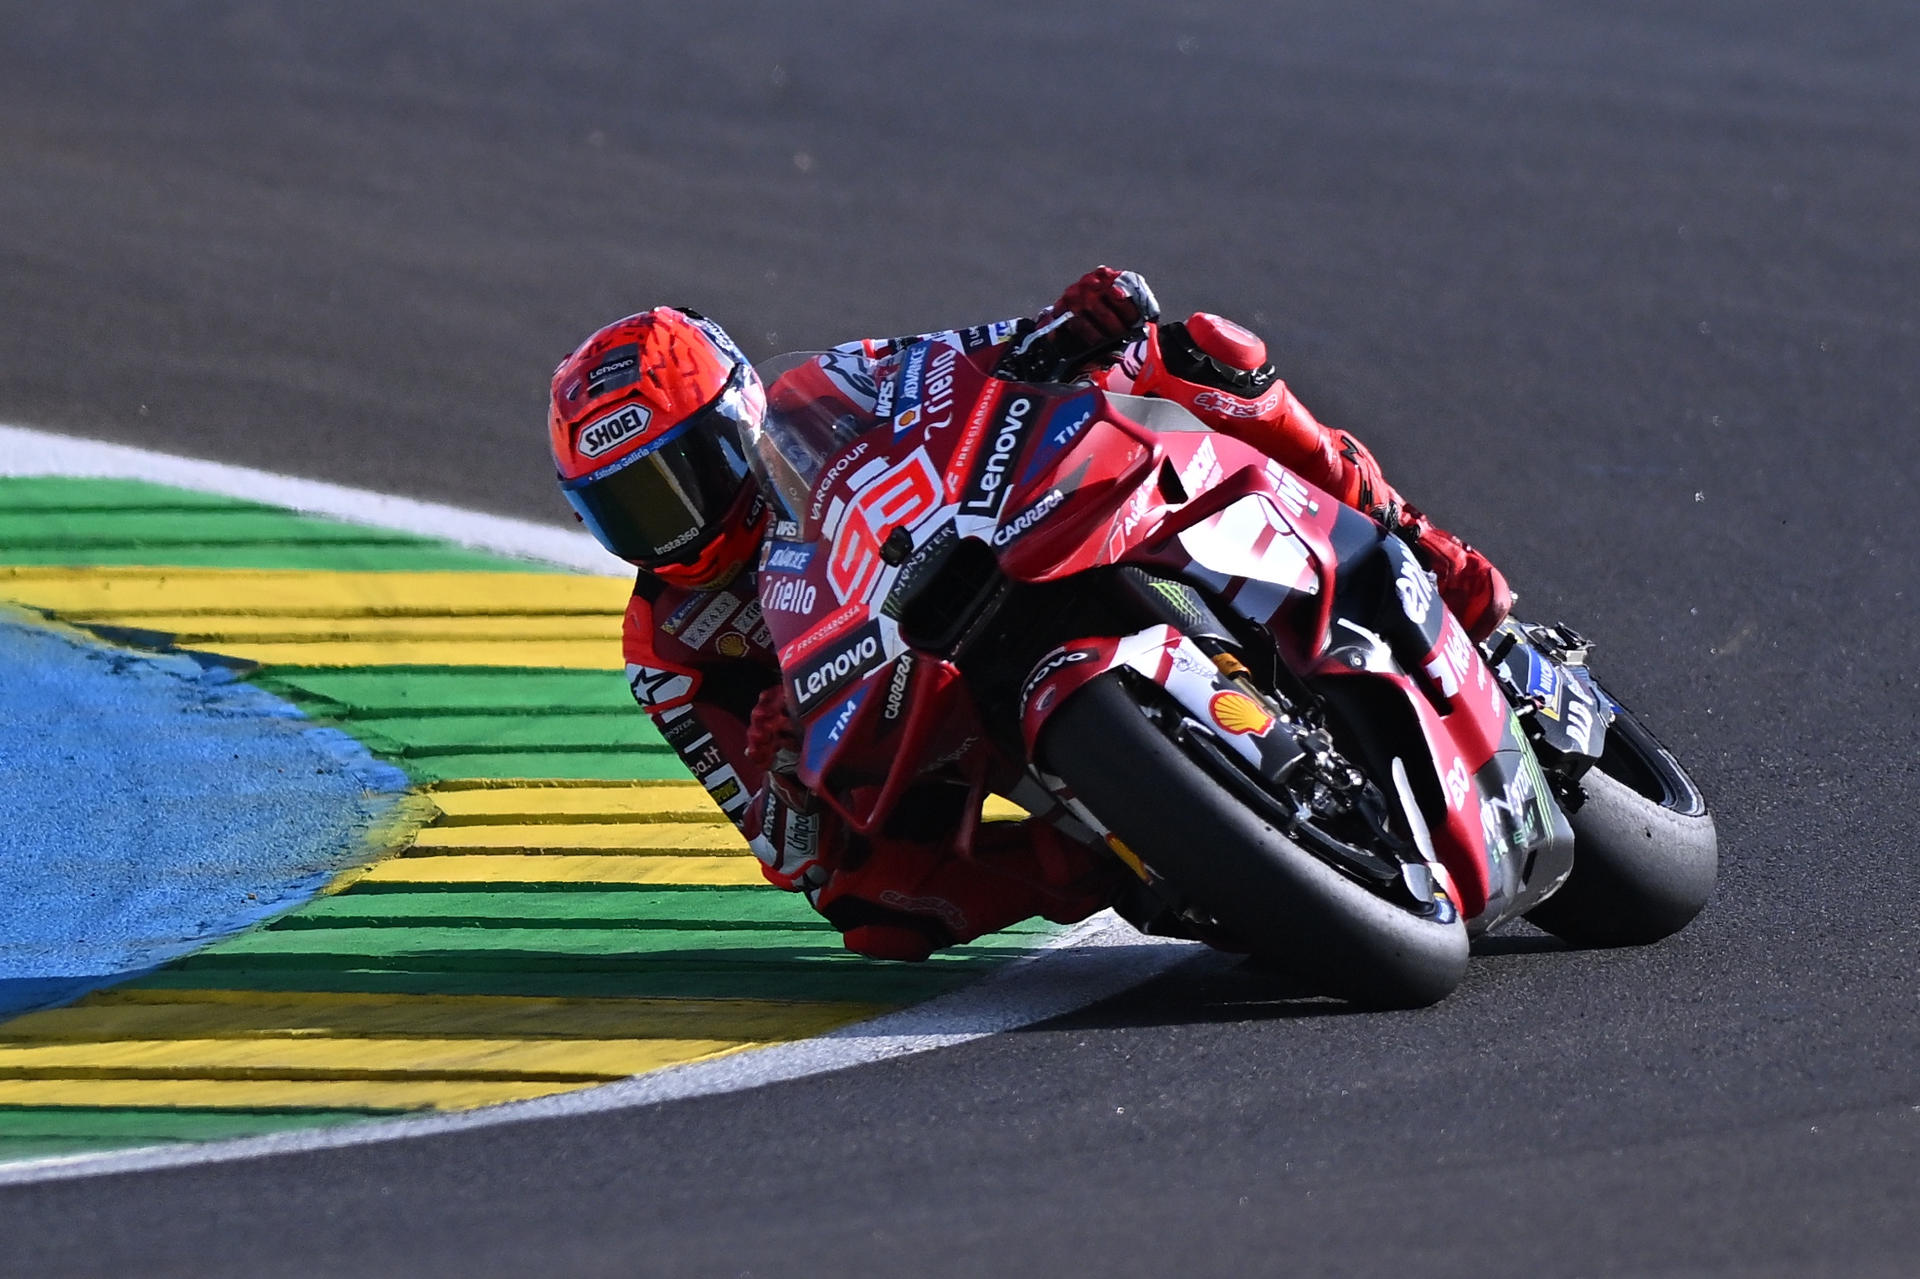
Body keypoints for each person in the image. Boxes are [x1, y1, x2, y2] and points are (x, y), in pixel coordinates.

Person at [546, 268, 1511, 961]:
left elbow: (970, 360)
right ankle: (1124, 854)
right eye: (626, 508)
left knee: (1200, 357)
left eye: (678, 481)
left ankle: (1416, 546)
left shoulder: (835, 385)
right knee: (871, 911)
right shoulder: (665, 650)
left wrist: (1073, 322)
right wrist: (791, 780)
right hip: (905, 727)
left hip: (1006, 550)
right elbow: (786, 854)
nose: (667, 530)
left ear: (739, 418)